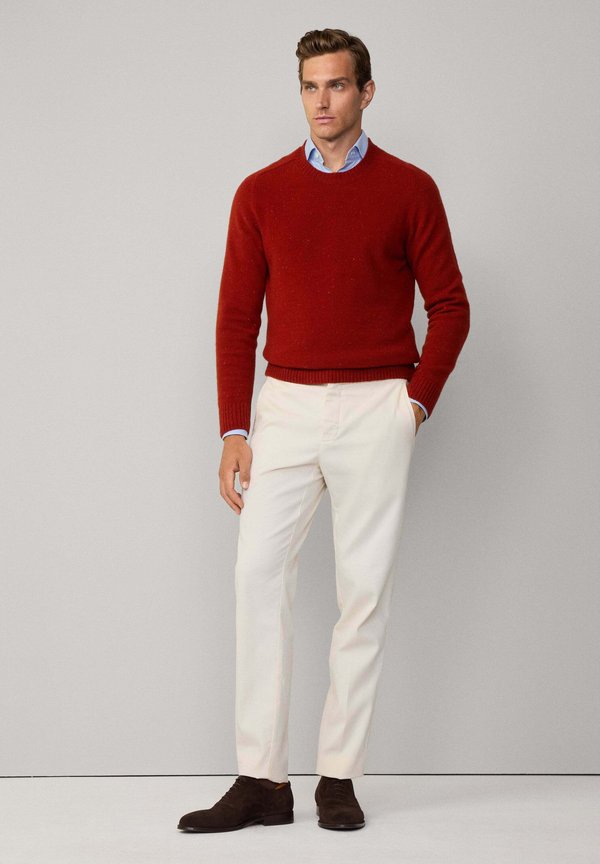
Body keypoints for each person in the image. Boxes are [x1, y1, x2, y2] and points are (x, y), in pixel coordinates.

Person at [178, 27, 470, 834]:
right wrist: (233, 428)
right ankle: (262, 780)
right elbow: (237, 318)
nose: (322, 102)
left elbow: (450, 306)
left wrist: (414, 404)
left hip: (378, 402)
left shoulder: (410, 189)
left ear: (366, 92)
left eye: (337, 86)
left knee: (362, 592)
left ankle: (338, 776)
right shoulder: (261, 193)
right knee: (256, 576)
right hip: (287, 405)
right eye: (310, 86)